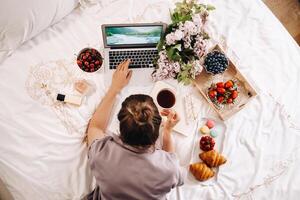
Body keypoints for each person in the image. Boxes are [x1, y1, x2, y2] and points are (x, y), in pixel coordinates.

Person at [85, 59, 185, 200]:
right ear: (156, 134)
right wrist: (168, 132)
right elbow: (172, 163)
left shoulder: (100, 154)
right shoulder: (170, 170)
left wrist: (115, 88)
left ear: (120, 129)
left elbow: (95, 127)